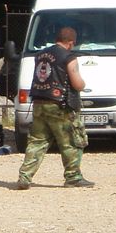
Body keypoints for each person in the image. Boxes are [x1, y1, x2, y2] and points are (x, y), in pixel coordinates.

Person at [16, 26, 93, 189]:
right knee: (71, 141)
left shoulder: (40, 55)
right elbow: (77, 84)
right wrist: (83, 84)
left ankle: (25, 177)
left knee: (37, 142)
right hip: (60, 105)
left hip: (39, 103)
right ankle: (73, 177)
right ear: (71, 42)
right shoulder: (68, 57)